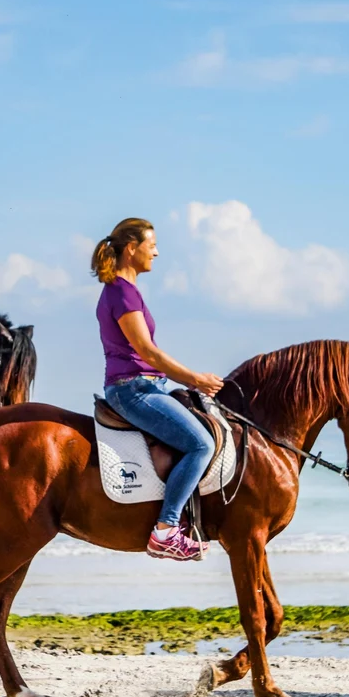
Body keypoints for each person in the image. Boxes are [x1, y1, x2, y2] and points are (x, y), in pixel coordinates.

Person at [92, 218, 224, 561]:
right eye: (151, 245)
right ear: (132, 249)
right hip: (133, 389)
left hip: (148, 385)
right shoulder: (121, 292)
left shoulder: (126, 291)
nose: (157, 251)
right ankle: (165, 530)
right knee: (200, 444)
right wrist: (194, 379)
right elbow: (148, 352)